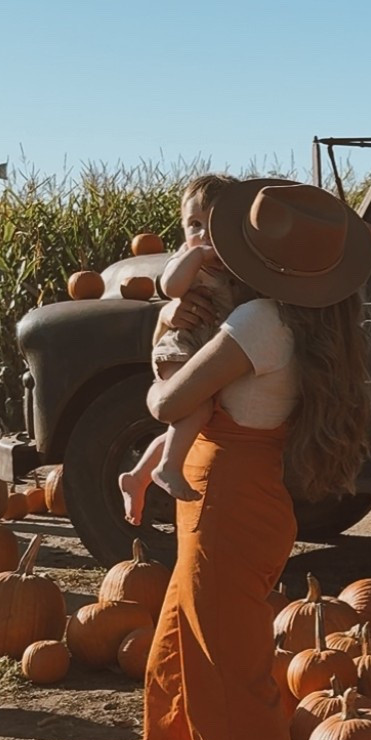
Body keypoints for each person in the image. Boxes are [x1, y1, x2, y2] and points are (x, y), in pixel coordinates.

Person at [116, 176, 371, 740]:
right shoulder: (293, 316)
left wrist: (158, 378)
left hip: (233, 498)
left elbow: (168, 401)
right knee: (175, 666)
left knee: (232, 682)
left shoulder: (260, 320)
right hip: (221, 494)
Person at [119, 174, 243, 523]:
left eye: (215, 226)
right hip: (181, 346)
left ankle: (138, 476)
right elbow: (172, 287)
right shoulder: (186, 259)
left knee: (196, 422)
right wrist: (196, 256)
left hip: (203, 349)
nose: (203, 235)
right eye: (194, 225)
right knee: (196, 407)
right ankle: (169, 468)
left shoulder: (239, 267)